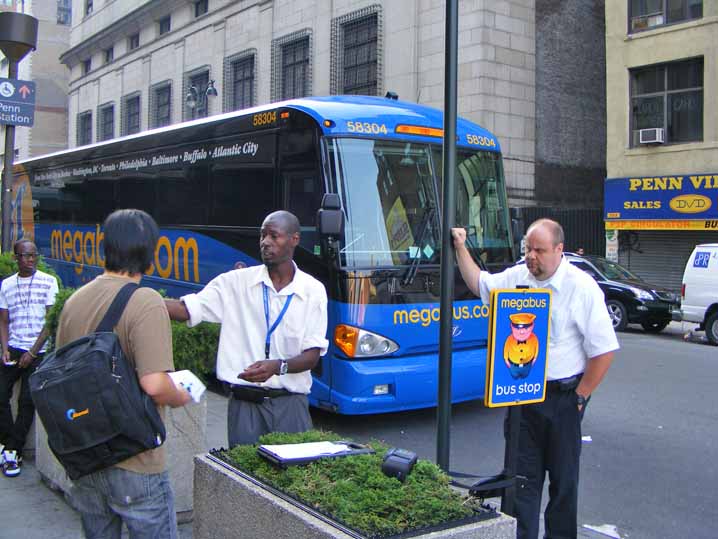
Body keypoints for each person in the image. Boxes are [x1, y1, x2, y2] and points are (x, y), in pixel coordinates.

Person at [452, 219, 618, 539]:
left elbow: (604, 351)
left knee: (563, 484)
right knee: (520, 485)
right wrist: (460, 247)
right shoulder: (518, 277)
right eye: (528, 248)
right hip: (522, 399)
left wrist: (580, 397)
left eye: (539, 250)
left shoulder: (581, 287)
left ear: (559, 250)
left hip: (563, 399)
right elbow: (480, 283)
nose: (531, 256)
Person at [55, 209, 191, 539]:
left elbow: (60, 372)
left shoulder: (75, 300)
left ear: (106, 247)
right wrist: (184, 391)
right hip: (135, 460)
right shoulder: (145, 302)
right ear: (151, 253)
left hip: (86, 456)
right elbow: (155, 385)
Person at [165, 210, 328, 446]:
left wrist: (278, 367)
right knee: (243, 477)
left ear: (294, 239)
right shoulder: (235, 283)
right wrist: (143, 301)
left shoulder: (312, 291)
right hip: (244, 407)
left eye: (274, 236)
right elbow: (188, 309)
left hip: (290, 405)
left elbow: (312, 355)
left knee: (293, 477)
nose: (265, 242)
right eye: (263, 236)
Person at [0, 239, 58, 477]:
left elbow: (49, 322)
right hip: (13, 347)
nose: (31, 260)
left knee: (27, 401)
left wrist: (32, 353)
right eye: (25, 256)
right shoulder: (6, 285)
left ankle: (11, 450)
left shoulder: (48, 281)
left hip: (38, 350)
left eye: (34, 255)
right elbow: (3, 321)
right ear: (16, 258)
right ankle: (8, 444)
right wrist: (4, 348)